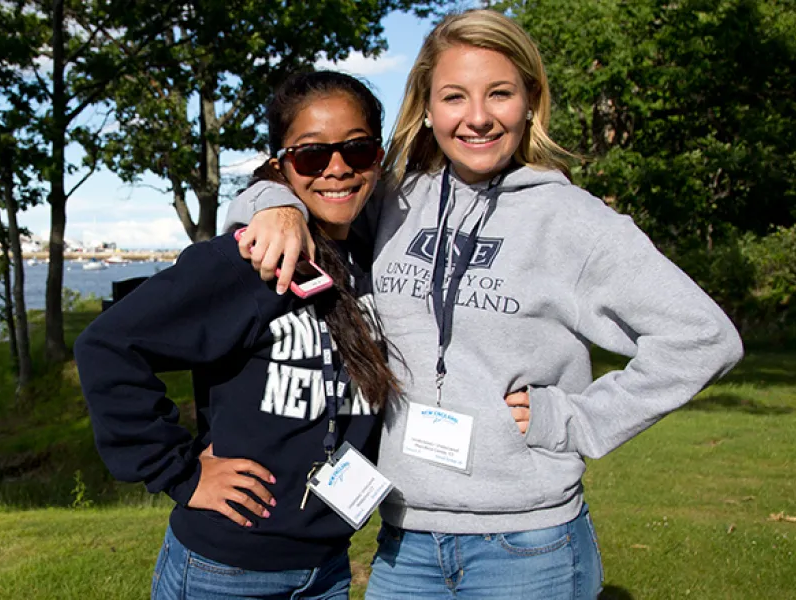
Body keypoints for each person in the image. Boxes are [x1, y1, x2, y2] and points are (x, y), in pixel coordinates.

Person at [226, 10, 745, 600]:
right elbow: (316, 189)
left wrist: (575, 420)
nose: (477, 117)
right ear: (425, 106)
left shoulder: (575, 223)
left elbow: (703, 338)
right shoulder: (396, 198)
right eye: (454, 96)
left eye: (499, 93)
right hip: (406, 541)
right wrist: (274, 203)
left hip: (527, 545)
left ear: (529, 101)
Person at [76, 71, 400, 599]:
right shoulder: (249, 260)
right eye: (312, 156)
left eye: (357, 150)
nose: (337, 169)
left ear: (378, 158)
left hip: (327, 570)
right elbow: (107, 346)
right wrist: (179, 473)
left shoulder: (375, 254)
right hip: (225, 572)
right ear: (281, 167)